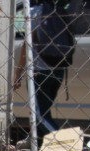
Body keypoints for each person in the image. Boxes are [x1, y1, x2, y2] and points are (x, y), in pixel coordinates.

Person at [27, 1, 76, 137]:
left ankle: (63, 143)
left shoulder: (33, 12)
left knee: (39, 115)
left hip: (40, 70)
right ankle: (40, 145)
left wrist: (18, 73)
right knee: (45, 111)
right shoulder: (61, 11)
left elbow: (27, 43)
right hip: (59, 67)